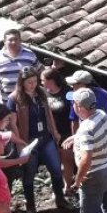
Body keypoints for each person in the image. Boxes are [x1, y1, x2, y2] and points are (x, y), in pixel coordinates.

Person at [8, 67, 69, 213]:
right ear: (21, 83)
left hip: (46, 138)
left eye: (35, 81)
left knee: (56, 170)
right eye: (29, 82)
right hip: (28, 141)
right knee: (29, 174)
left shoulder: (41, 93)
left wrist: (54, 132)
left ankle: (60, 198)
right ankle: (30, 204)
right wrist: (19, 143)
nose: (33, 85)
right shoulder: (14, 98)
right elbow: (12, 124)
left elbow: (48, 114)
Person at [42, 67, 78, 197]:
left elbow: (75, 113)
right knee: (55, 163)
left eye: (43, 80)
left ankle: (68, 187)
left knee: (67, 161)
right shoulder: (43, 94)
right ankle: (59, 186)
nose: (41, 83)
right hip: (51, 133)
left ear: (51, 80)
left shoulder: (68, 92)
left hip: (66, 132)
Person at [0, 29, 39, 99]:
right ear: (4, 42)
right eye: (10, 40)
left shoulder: (29, 54)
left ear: (20, 41)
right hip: (7, 101)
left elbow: (40, 70)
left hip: (29, 100)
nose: (13, 42)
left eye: (16, 39)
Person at [65, 70, 107, 134]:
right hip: (86, 133)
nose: (73, 86)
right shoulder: (75, 97)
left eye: (75, 84)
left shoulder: (105, 95)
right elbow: (75, 121)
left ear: (83, 85)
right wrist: (75, 138)